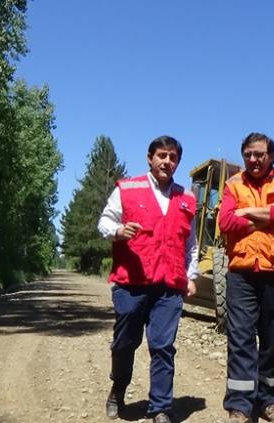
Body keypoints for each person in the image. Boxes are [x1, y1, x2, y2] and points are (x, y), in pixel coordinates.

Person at [97, 135, 198, 423]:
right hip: (131, 284)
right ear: (150, 158)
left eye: (173, 157)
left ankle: (160, 408)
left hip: (168, 287)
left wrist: (190, 276)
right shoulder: (128, 189)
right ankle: (118, 388)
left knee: (163, 347)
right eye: (162, 156)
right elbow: (104, 221)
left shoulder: (186, 199)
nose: (167, 161)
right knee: (125, 343)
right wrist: (118, 231)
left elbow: (190, 244)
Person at [218, 132, 274, 423]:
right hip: (242, 272)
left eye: (259, 154)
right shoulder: (233, 183)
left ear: (272, 156)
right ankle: (239, 405)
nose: (253, 160)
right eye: (248, 155)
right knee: (240, 338)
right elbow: (226, 220)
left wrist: (249, 213)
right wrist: (269, 217)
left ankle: (267, 399)